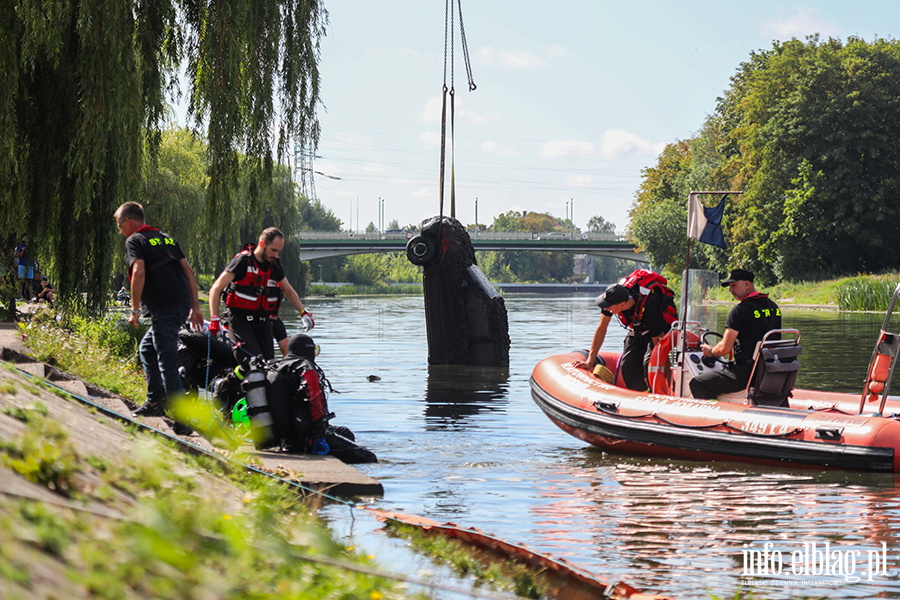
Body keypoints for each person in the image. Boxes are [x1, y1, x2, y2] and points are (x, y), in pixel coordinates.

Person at [114, 202, 204, 425]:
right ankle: (154, 402)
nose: (119, 231)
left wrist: (134, 310)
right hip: (181, 303)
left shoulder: (134, 240)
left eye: (119, 225)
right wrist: (195, 307)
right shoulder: (167, 239)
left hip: (165, 306)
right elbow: (189, 272)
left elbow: (139, 271)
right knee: (147, 348)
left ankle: (182, 418)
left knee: (167, 360)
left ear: (128, 221)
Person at [208, 227, 313, 367]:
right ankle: (227, 384)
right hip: (239, 321)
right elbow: (216, 288)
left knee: (269, 366)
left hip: (263, 321)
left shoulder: (274, 265)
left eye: (278, 252)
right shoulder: (242, 262)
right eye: (273, 250)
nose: (276, 255)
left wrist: (303, 313)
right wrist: (214, 318)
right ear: (262, 244)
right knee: (253, 363)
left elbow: (287, 290)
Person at [574, 269, 677, 391]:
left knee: (650, 363)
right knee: (627, 366)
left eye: (609, 307)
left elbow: (660, 348)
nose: (607, 309)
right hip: (639, 327)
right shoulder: (612, 300)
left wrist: (671, 382)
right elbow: (601, 329)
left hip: (659, 327)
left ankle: (662, 392)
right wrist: (590, 361)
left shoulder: (648, 306)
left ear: (622, 304)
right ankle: (642, 395)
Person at [689, 268, 782, 400]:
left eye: (734, 285)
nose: (730, 290)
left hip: (745, 374)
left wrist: (710, 351)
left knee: (698, 383)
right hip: (770, 371)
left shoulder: (740, 310)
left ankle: (713, 417)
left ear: (747, 284)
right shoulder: (773, 307)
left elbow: (724, 349)